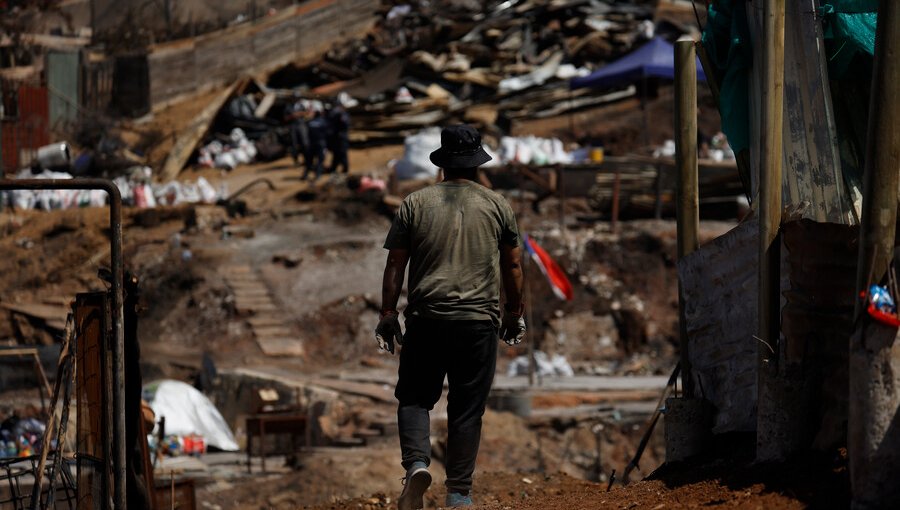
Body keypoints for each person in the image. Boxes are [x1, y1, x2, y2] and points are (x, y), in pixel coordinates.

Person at [375, 124, 527, 509]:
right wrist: (515, 313)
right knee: (467, 408)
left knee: (413, 398)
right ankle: (459, 494)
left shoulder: (415, 203)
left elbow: (395, 263)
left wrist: (389, 314)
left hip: (427, 319)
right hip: (477, 324)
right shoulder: (497, 206)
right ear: (477, 164)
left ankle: (415, 466)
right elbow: (513, 265)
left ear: (442, 163)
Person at [284, 93, 311, 171]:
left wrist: (300, 114)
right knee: (294, 144)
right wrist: (292, 116)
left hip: (301, 125)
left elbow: (307, 113)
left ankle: (306, 160)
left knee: (305, 143)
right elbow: (285, 118)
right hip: (293, 126)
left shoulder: (301, 106)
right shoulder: (288, 107)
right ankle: (296, 161)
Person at [326, 102, 351, 174]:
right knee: (336, 153)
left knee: (342, 153)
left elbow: (345, 124)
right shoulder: (335, 114)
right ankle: (333, 168)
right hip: (336, 138)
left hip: (342, 138)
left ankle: (345, 169)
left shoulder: (343, 115)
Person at [305, 107, 329, 180]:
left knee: (309, 160)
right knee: (320, 160)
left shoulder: (310, 122)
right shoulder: (323, 122)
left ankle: (305, 175)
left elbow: (308, 133)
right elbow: (327, 133)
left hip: (311, 144)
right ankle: (318, 175)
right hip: (321, 143)